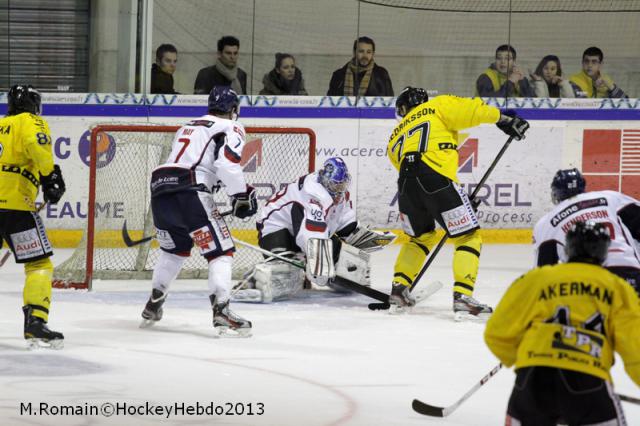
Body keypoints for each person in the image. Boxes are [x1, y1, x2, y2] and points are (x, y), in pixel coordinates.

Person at [386, 87, 529, 319]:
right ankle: (462, 295)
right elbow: (472, 110)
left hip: (405, 187)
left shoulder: (394, 137)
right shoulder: (437, 106)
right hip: (436, 180)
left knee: (419, 238)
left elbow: (412, 171)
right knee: (468, 236)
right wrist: (503, 118)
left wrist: (456, 199)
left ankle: (399, 288)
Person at [485, 221, 640, 425]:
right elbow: (635, 348)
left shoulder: (537, 278)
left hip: (532, 378)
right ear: (604, 252)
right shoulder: (617, 287)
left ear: (567, 248)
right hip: (587, 380)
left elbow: (497, 332)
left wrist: (526, 358)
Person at [140, 86, 258, 337]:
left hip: (160, 189)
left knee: (174, 251)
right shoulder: (232, 127)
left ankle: (154, 303)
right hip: (190, 189)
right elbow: (226, 165)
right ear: (234, 109)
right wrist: (241, 194)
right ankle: (222, 310)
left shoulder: (188, 125)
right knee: (221, 252)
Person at [234, 157, 395, 303]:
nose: (339, 189)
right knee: (286, 273)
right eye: (335, 185)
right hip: (275, 227)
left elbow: (346, 224)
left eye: (342, 184)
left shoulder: (340, 194)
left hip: (303, 230)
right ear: (325, 180)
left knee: (345, 260)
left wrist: (360, 238)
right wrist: (319, 265)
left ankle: (351, 274)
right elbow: (311, 233)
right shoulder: (313, 194)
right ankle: (253, 281)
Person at [0, 85, 66, 348]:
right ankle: (36, 322)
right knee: (39, 265)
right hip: (17, 206)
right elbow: (36, 146)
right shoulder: (31, 121)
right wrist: (50, 178)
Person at [533, 168, 640, 293]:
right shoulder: (610, 197)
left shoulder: (547, 222)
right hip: (630, 272)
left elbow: (542, 274)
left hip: (589, 283)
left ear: (556, 193)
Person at [327, 36, 394, 97]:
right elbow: (330, 102)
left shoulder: (381, 74)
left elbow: (390, 101)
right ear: (354, 52)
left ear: (373, 54)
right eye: (361, 51)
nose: (365, 56)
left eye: (368, 52)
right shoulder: (338, 75)